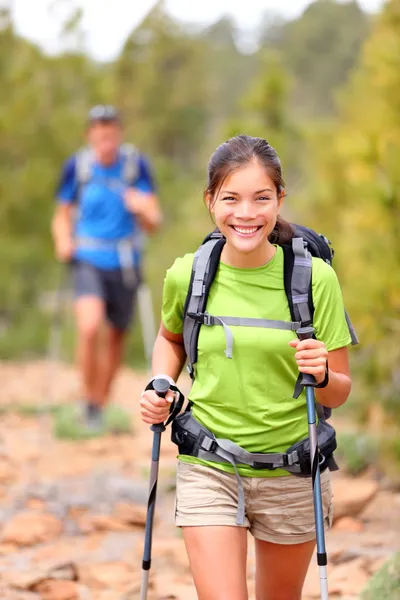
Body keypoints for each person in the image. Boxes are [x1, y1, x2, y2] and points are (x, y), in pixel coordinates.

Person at [140, 135, 352, 600]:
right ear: (210, 201)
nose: (246, 213)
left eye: (261, 198)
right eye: (231, 198)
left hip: (293, 469)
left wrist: (320, 375)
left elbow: (339, 390)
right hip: (209, 461)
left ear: (279, 200)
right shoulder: (189, 274)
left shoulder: (315, 279)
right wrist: (161, 383)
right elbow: (170, 337)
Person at [52, 105, 162, 431]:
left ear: (119, 134)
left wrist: (142, 208)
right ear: (90, 136)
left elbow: (154, 220)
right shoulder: (78, 167)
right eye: (100, 134)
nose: (106, 140)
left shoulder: (135, 166)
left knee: (116, 337)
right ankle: (87, 401)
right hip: (87, 257)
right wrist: (62, 239)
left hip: (125, 262)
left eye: (111, 133)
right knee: (88, 326)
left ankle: (100, 403)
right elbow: (62, 213)